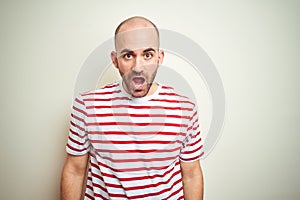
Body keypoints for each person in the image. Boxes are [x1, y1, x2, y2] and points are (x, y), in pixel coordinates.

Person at [61, 16, 204, 200]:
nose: (138, 67)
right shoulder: (87, 107)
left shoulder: (185, 109)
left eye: (147, 55)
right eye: (128, 56)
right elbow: (74, 171)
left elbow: (192, 174)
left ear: (159, 57)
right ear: (115, 60)